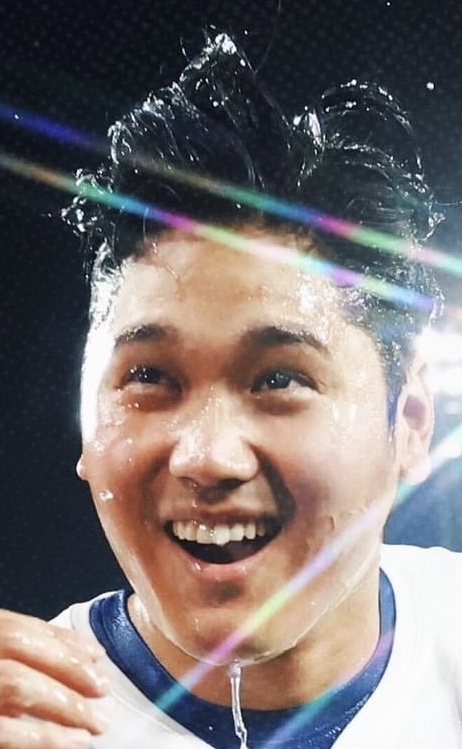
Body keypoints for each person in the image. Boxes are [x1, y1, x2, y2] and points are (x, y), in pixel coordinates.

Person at [0, 32, 460, 749]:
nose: (206, 457)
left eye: (280, 378)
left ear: (411, 420)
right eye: (148, 377)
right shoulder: (31, 721)